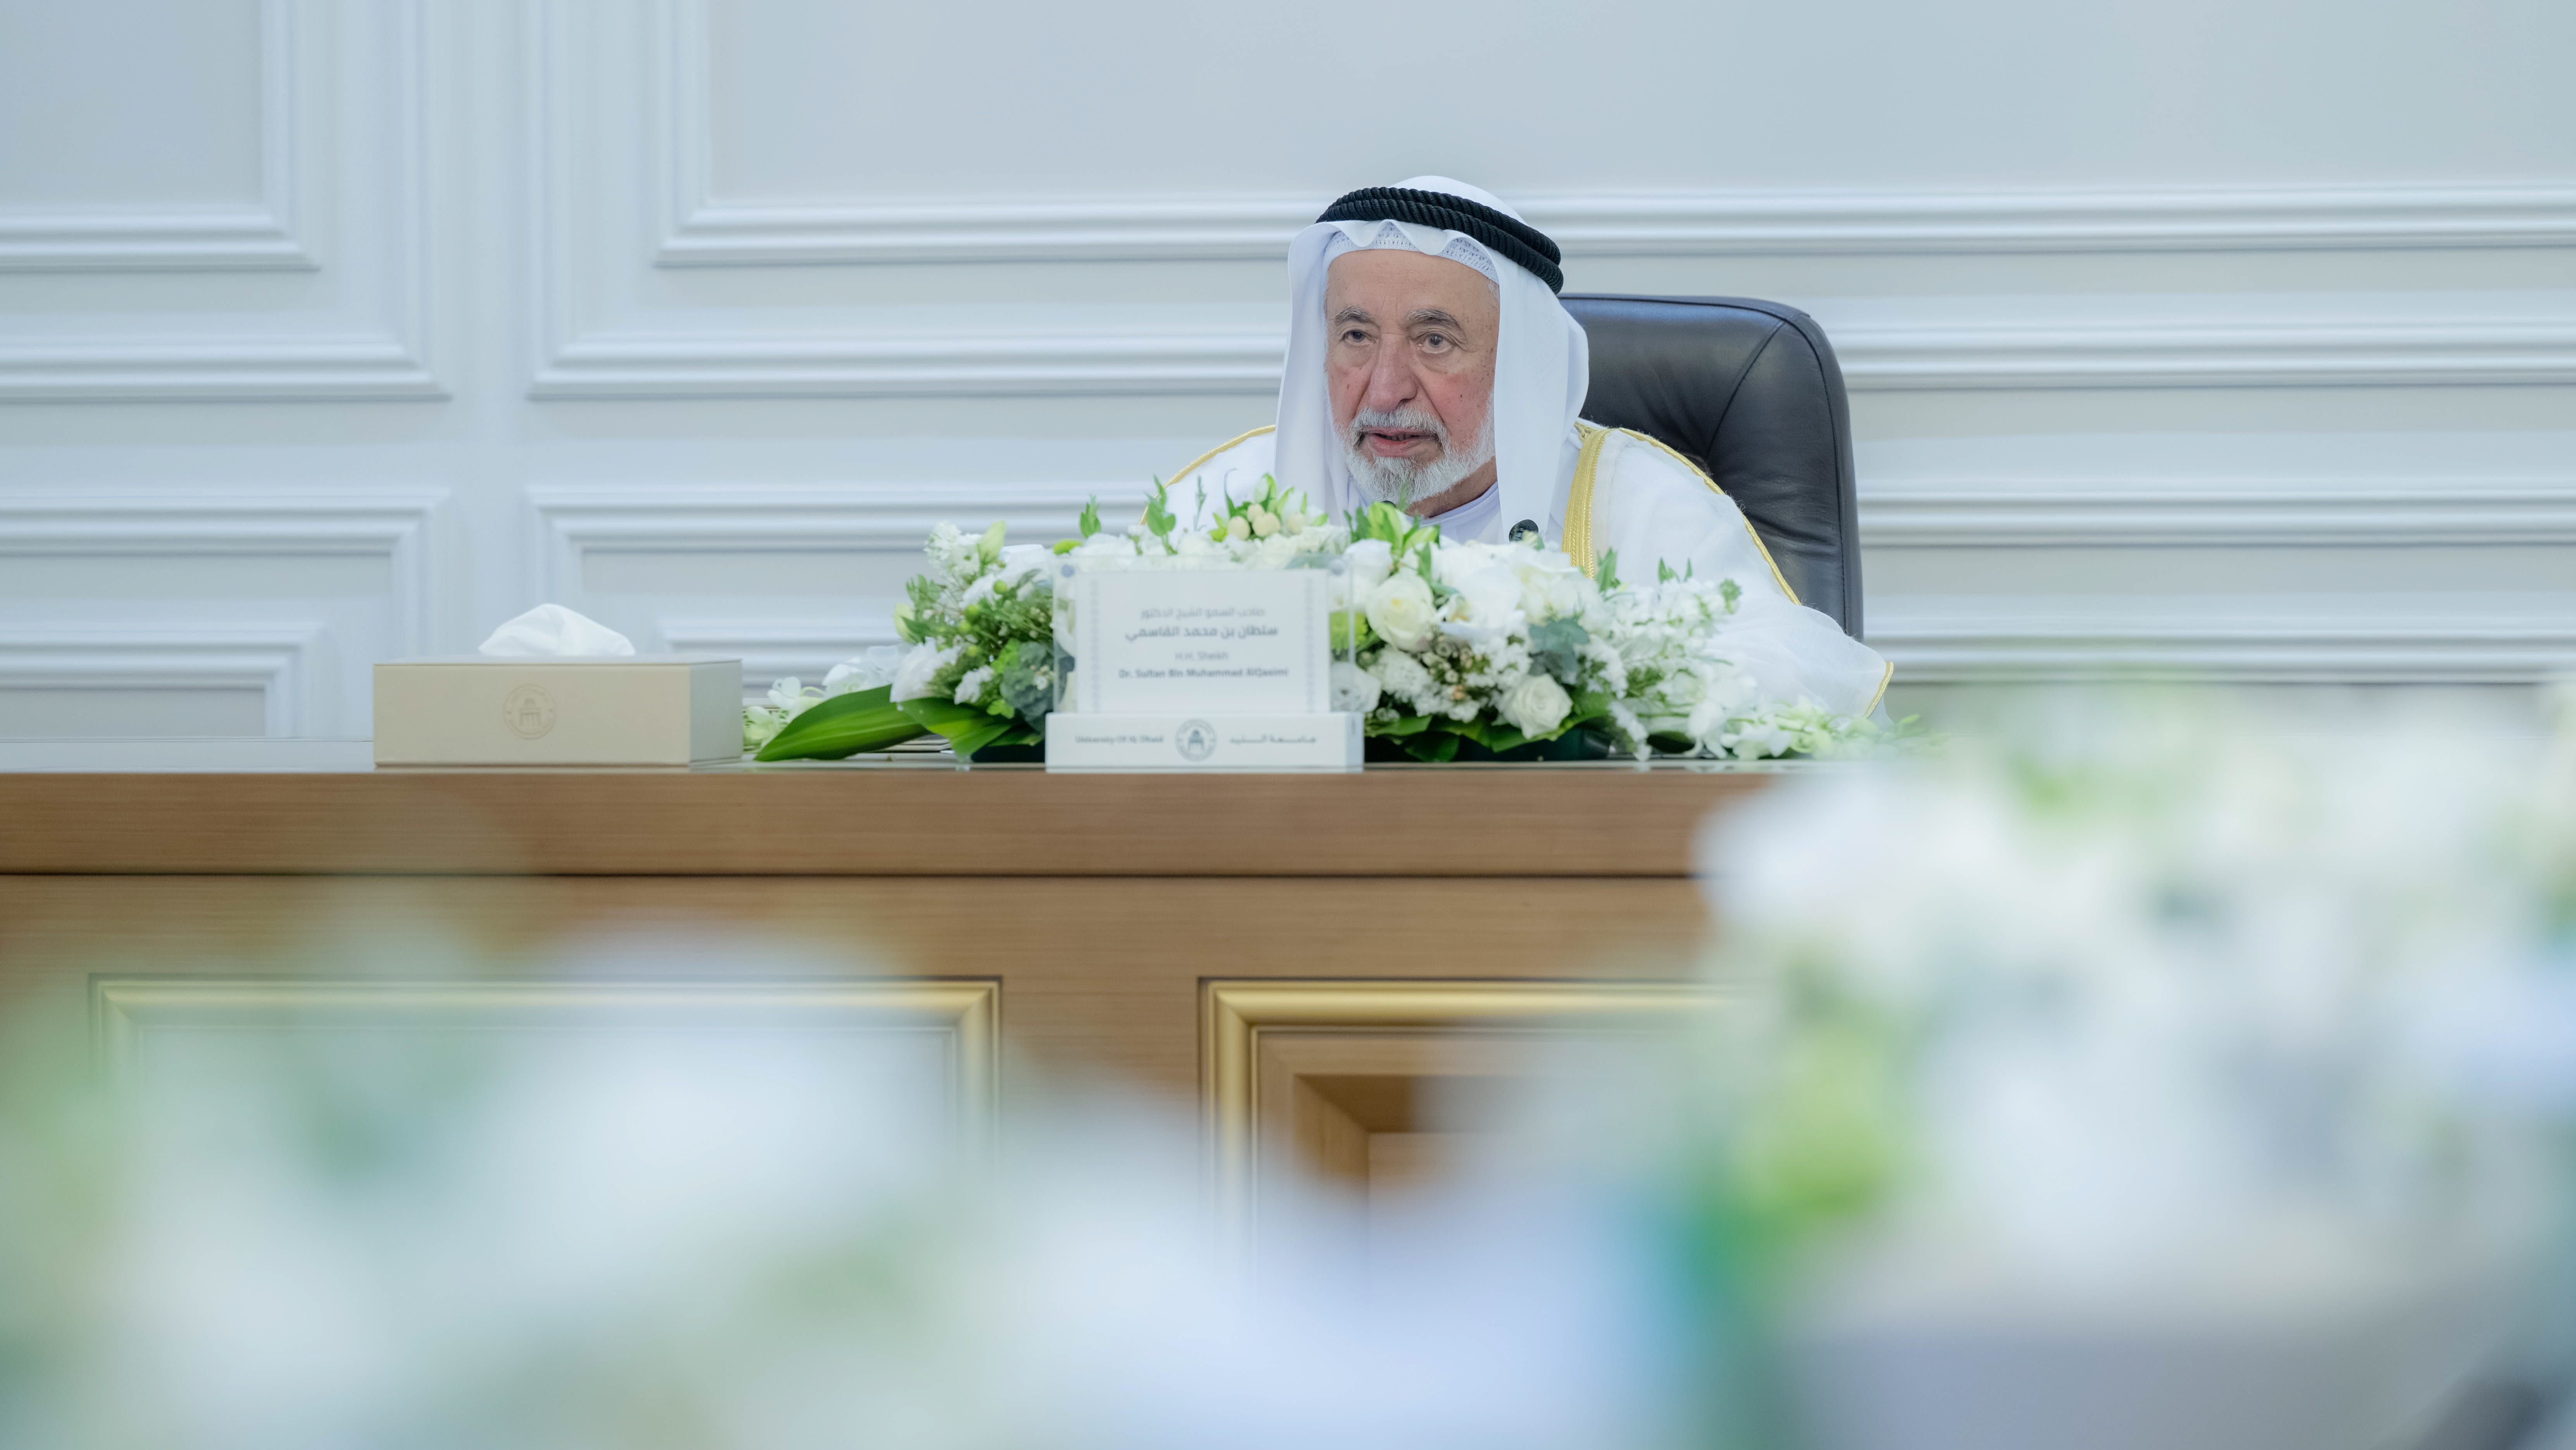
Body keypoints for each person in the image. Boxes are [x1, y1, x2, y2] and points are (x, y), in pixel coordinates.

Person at [1166, 176, 1891, 717]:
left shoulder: (1642, 505)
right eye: (1355, 336)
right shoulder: (1230, 499)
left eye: (1433, 341)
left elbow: (1811, 684)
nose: (1385, 389)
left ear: (1519, 367)